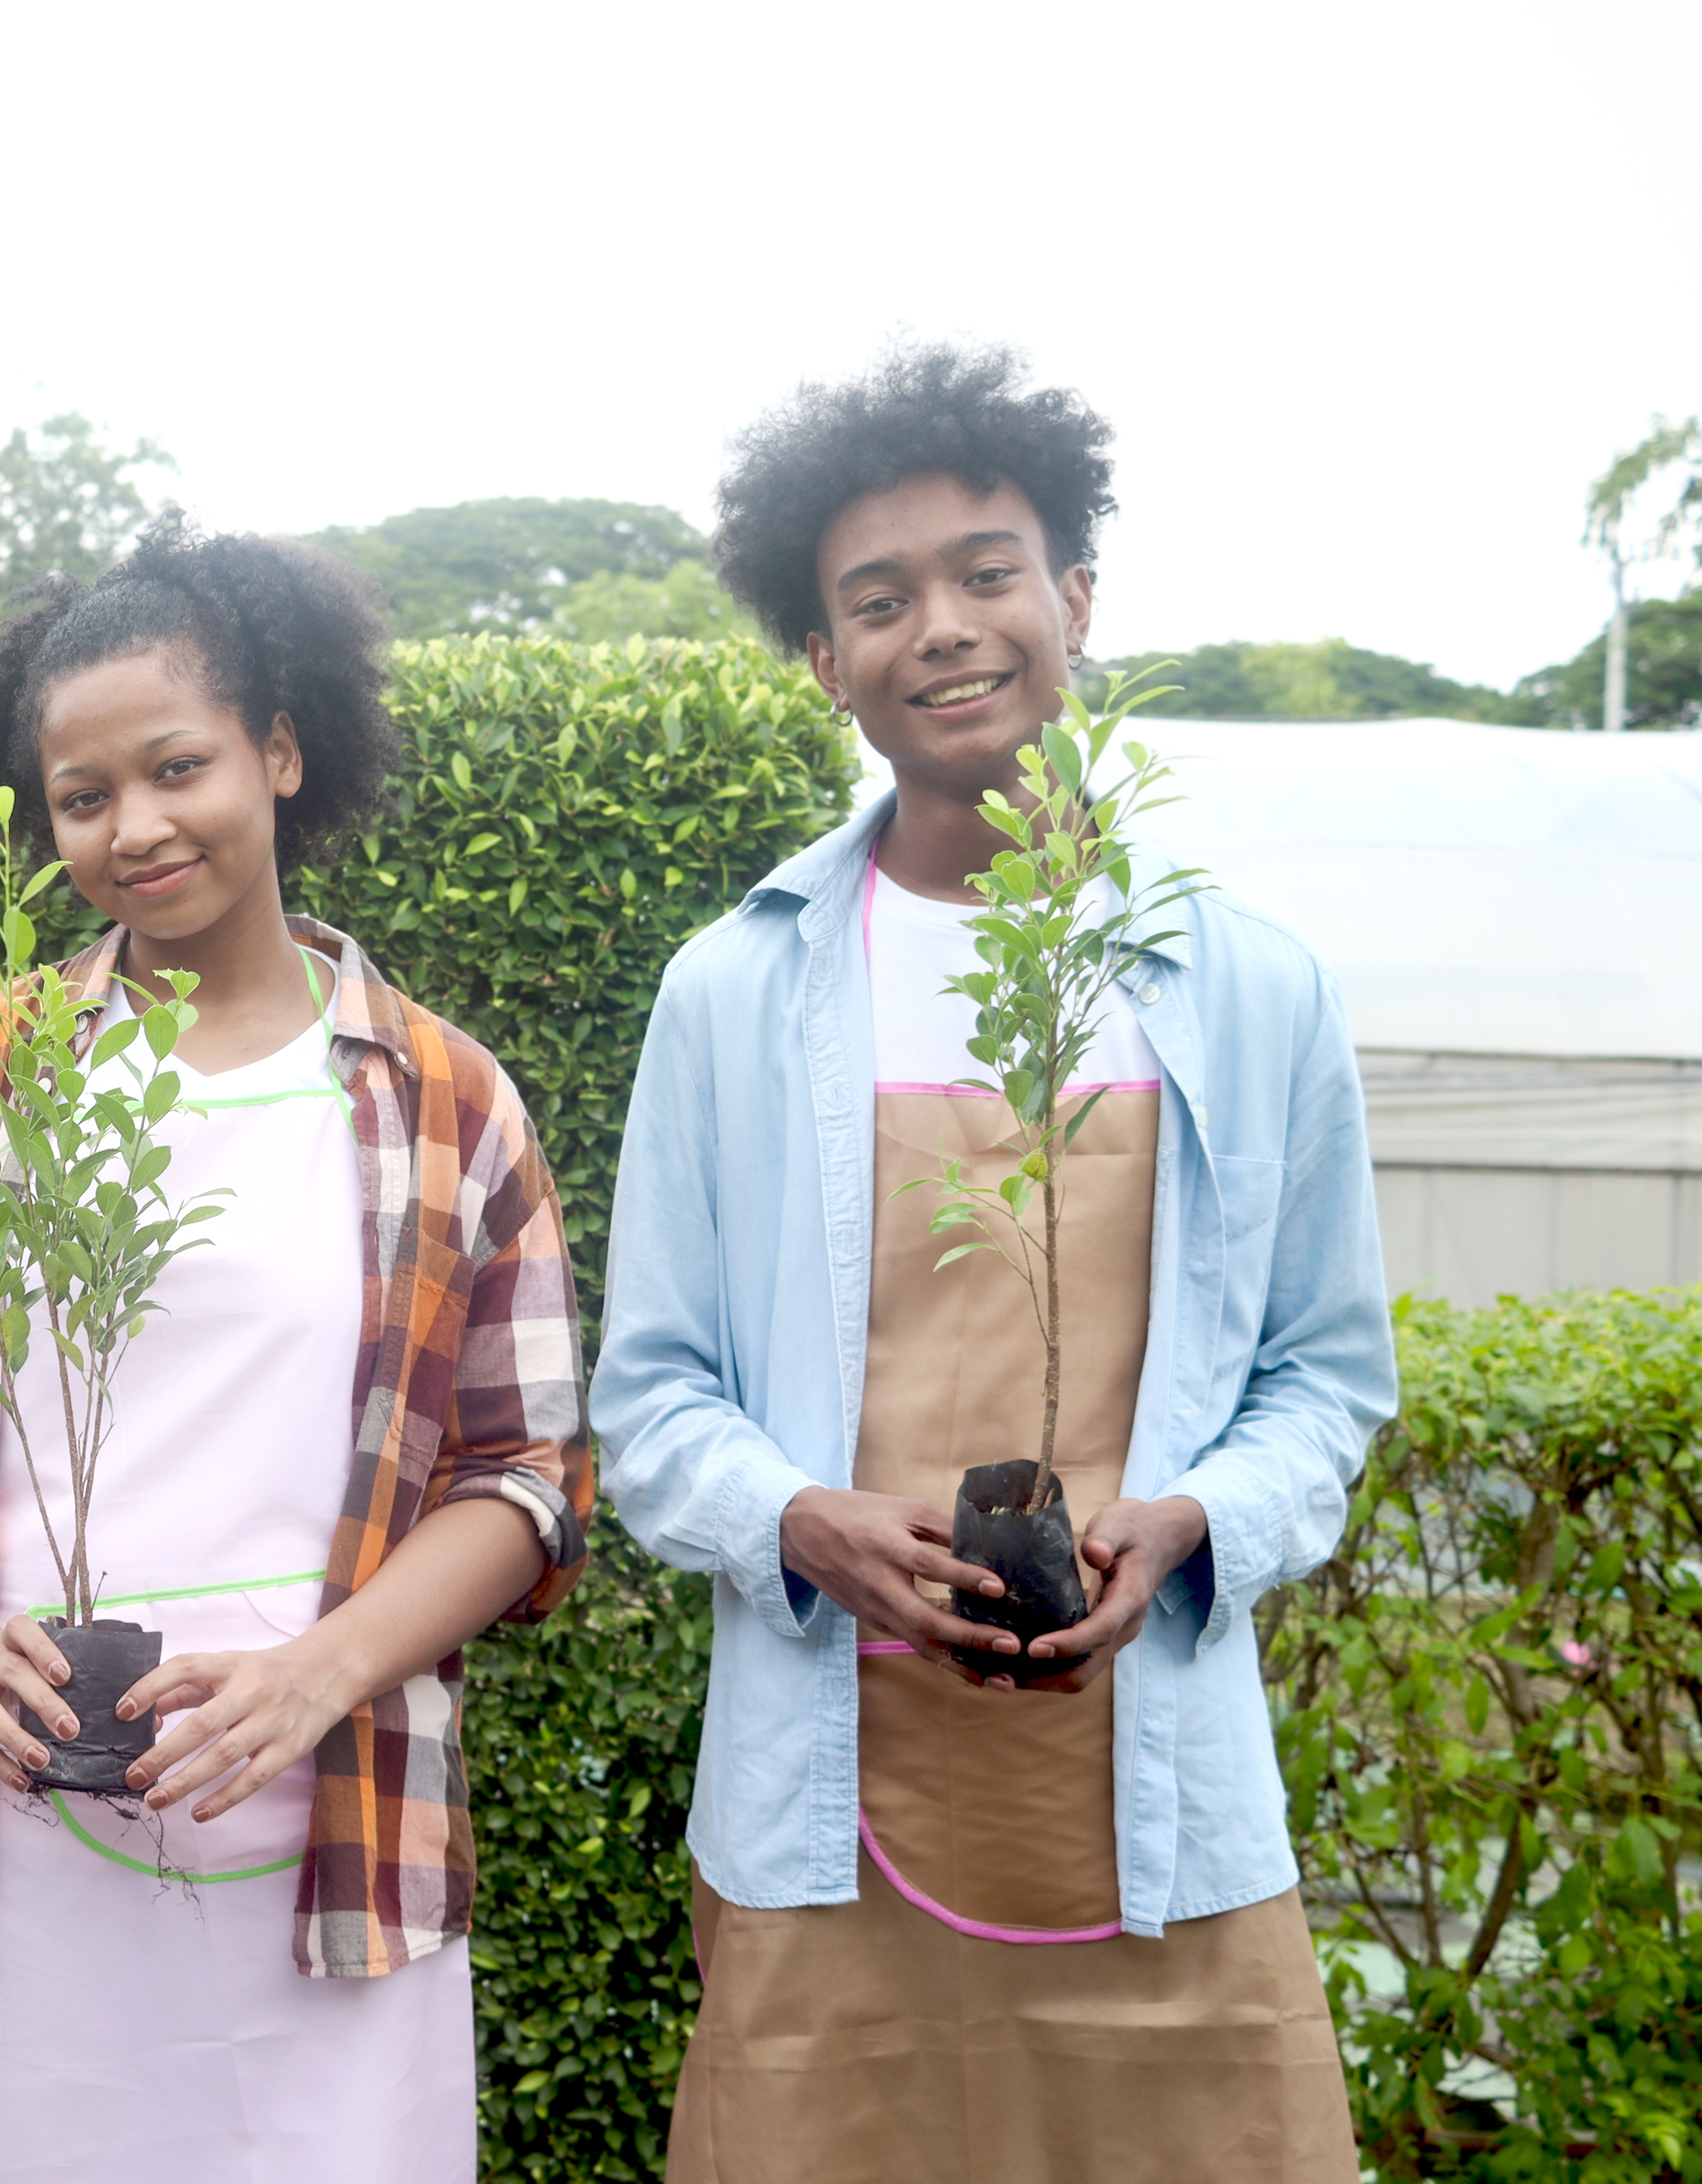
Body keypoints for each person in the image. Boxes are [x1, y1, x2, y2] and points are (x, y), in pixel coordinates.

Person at [590, 344, 1385, 2179]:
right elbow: (654, 1393)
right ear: (823, 660)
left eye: (985, 570)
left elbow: (1324, 1378)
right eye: (877, 600)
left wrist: (1189, 1530)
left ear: (1075, 598)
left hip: (1164, 1799)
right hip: (822, 1796)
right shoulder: (740, 988)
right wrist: (800, 1518)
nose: (941, 628)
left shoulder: (1248, 983)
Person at [0, 517, 593, 2182]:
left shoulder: (448, 1102)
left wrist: (318, 1675)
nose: (135, 829)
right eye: (83, 798)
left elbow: (527, 1478)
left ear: (280, 752)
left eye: (177, 768)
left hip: (326, 1855)